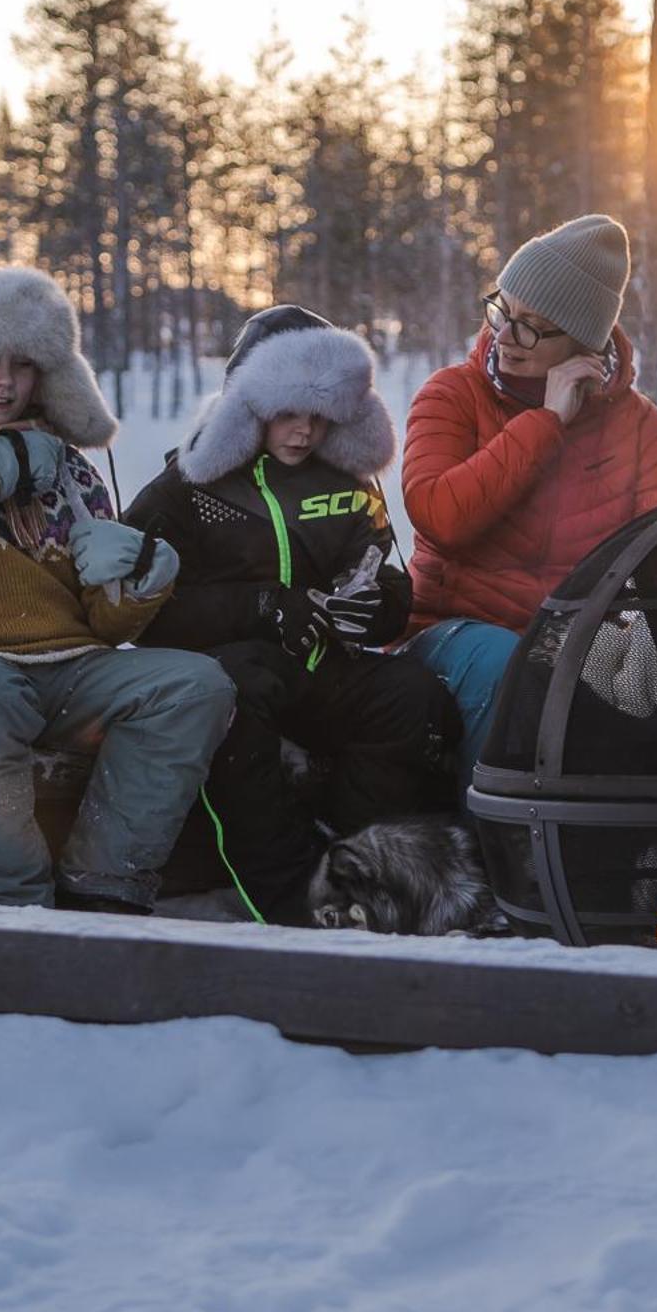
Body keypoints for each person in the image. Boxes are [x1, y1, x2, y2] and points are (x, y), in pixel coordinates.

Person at [0, 263, 234, 913]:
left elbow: (103, 627)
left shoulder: (72, 470)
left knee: (193, 684)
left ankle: (105, 887)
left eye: (23, 364)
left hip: (68, 672)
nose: (5, 382)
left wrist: (144, 582)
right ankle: (11, 912)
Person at [125, 305, 460, 922]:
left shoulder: (346, 479)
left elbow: (388, 579)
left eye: (317, 415)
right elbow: (138, 605)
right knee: (236, 688)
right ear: (248, 404)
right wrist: (260, 605)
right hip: (231, 673)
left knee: (409, 692)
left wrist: (373, 608)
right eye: (286, 412)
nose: (303, 432)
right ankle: (288, 899)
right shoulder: (191, 483)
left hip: (322, 666)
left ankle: (363, 868)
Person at [401, 213, 657, 792]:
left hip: (577, 637)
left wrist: (643, 627)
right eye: (503, 312)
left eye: (534, 326)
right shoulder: (451, 395)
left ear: (584, 343)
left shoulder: (642, 431)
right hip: (453, 629)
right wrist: (545, 422)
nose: (506, 337)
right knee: (506, 667)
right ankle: (498, 856)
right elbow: (440, 518)